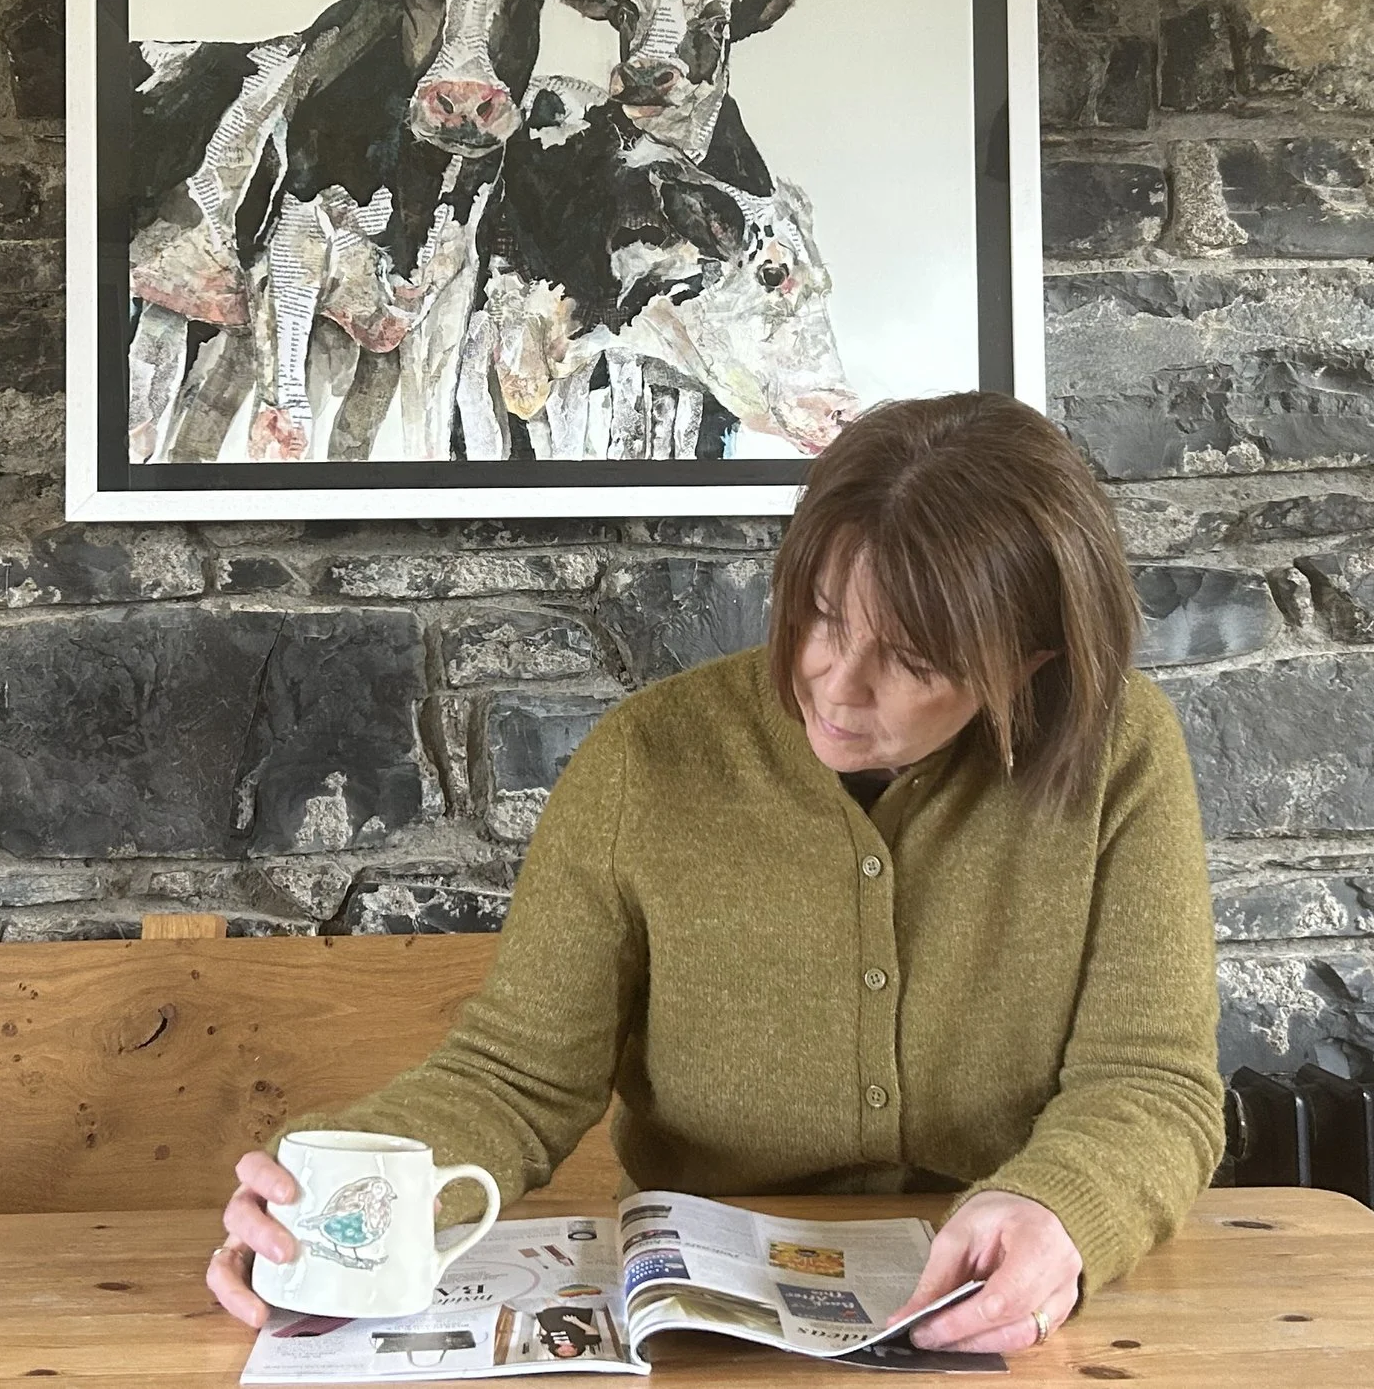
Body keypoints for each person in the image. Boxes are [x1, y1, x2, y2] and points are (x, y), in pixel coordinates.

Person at [209, 392, 1224, 1355]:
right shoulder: (648, 758)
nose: (836, 681)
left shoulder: (1117, 750)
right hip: (700, 1323)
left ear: (1028, 662)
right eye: (822, 613)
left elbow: (1150, 1082)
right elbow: (513, 1081)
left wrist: (1058, 1209)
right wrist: (325, 1198)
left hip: (997, 1303)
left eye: (914, 661)